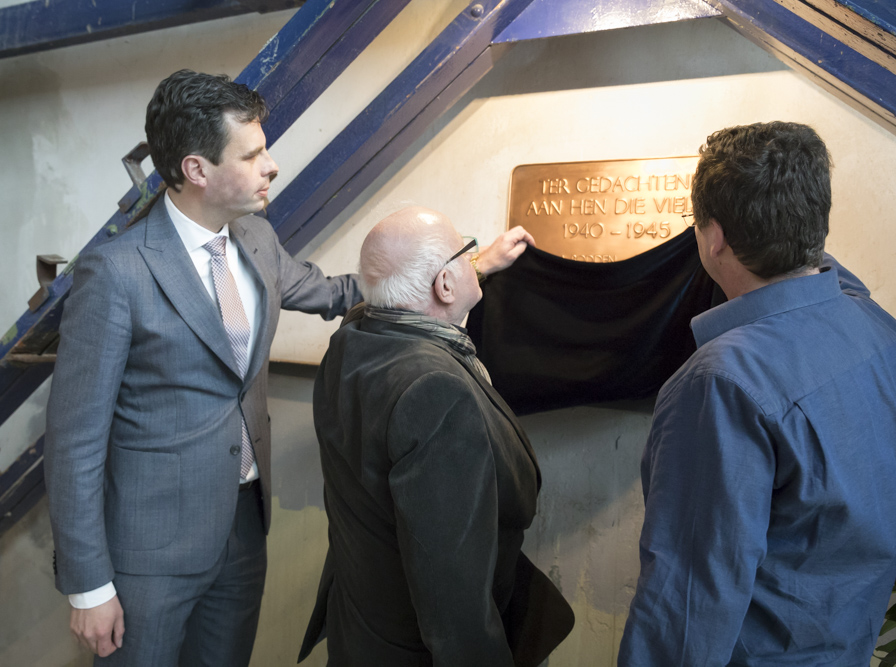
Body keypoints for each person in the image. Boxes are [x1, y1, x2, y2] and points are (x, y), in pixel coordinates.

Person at [44, 69, 363, 665]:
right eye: (254, 153)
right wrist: (89, 586)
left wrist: (448, 270)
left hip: (243, 529)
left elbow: (334, 292)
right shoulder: (116, 272)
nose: (271, 165)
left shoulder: (258, 240)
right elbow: (73, 442)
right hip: (146, 553)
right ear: (197, 169)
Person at [618, 121, 896, 666]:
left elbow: (689, 603)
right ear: (818, 222)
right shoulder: (877, 328)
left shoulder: (721, 382)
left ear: (713, 238)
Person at [300, 207, 575, 666]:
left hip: (363, 635)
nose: (476, 258)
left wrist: (479, 264)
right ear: (445, 285)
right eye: (468, 252)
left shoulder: (353, 341)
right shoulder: (434, 390)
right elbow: (452, 594)